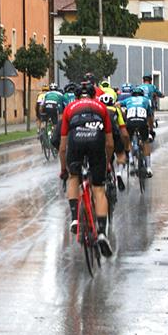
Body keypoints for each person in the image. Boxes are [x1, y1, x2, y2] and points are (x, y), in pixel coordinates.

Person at [59, 79, 115, 257]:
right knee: (98, 189)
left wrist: (64, 169)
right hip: (96, 140)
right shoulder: (101, 107)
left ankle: (75, 218)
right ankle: (101, 232)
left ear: (76, 96)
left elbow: (62, 146)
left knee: (74, 178)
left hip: (76, 141)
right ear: (93, 95)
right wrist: (106, 163)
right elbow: (110, 143)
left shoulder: (70, 108)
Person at [98, 88, 131, 191]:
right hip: (114, 134)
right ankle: (119, 173)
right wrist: (127, 148)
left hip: (100, 135)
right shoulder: (116, 110)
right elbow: (123, 130)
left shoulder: (98, 110)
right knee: (120, 155)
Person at [119, 86, 154, 178]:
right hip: (142, 122)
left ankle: (130, 158)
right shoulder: (146, 100)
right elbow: (150, 117)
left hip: (130, 122)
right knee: (146, 141)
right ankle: (149, 168)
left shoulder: (128, 100)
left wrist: (122, 116)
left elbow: (117, 104)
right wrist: (151, 129)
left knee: (129, 140)